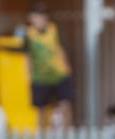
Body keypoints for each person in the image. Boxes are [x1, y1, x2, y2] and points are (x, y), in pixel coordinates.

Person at [17, 2, 74, 130]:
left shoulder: (54, 29)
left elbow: (60, 48)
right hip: (40, 76)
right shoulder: (28, 35)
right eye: (37, 16)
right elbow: (27, 57)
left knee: (65, 104)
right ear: (30, 18)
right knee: (41, 109)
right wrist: (28, 75)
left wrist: (67, 67)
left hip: (59, 73)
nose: (40, 19)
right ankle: (42, 138)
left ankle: (67, 133)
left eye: (43, 16)